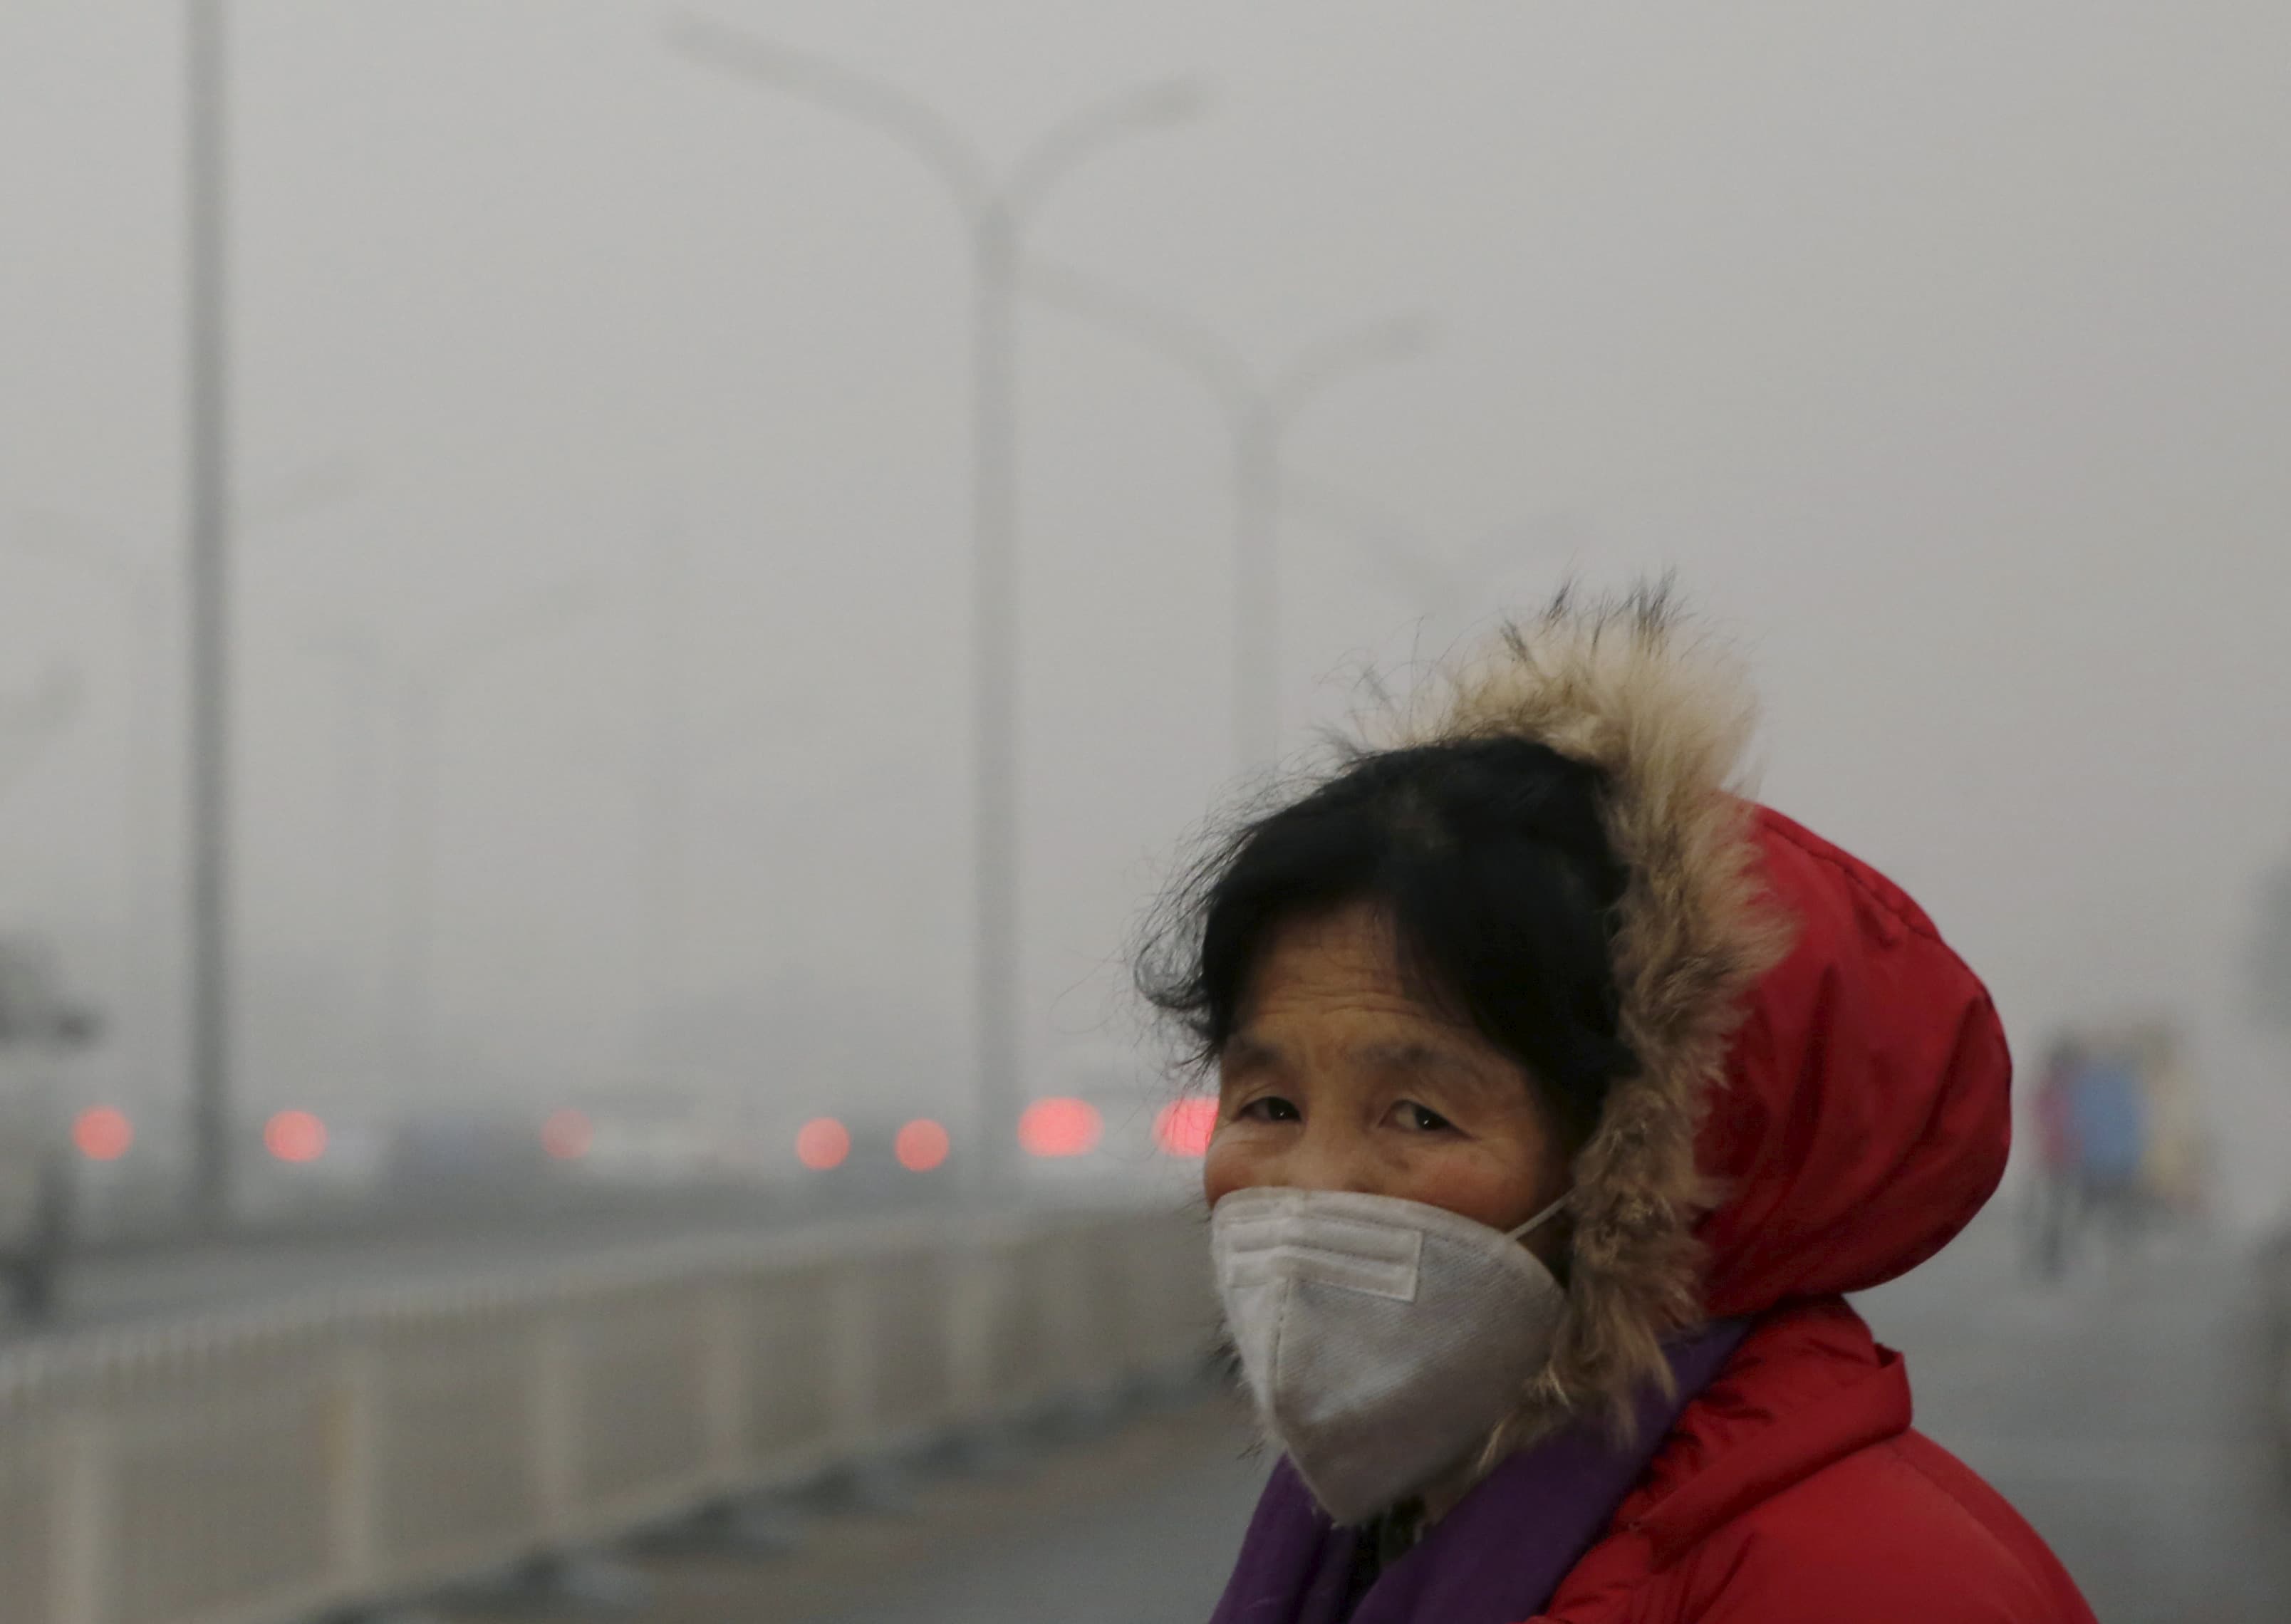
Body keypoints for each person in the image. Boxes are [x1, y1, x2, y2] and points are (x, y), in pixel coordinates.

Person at [1140, 588, 2094, 1623]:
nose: (1314, 1185)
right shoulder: (1362, 1536)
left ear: (1641, 1164)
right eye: (1270, 1104)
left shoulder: (1877, 1586)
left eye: (1419, 1115)